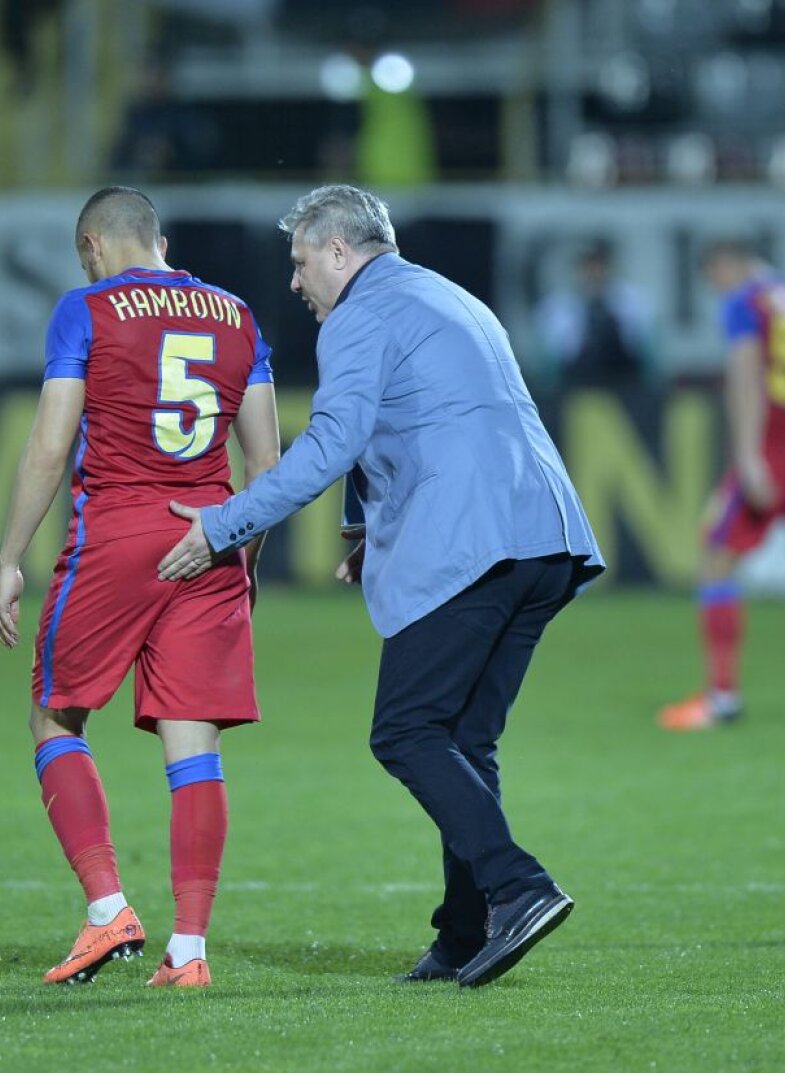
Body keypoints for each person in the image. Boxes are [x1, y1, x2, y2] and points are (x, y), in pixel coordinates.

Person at [157, 184, 604, 988]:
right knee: (464, 740)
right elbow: (412, 415)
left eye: (300, 263)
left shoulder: (360, 314)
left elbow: (335, 437)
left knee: (405, 731)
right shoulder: (445, 295)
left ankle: (518, 885)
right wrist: (362, 527)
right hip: (547, 535)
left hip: (475, 541)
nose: (295, 284)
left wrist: (225, 524)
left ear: (338, 251)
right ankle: (466, 932)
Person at [0, 186, 281, 988]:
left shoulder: (85, 309)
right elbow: (268, 468)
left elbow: (52, 443)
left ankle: (107, 906)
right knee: (195, 745)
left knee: (56, 713)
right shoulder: (237, 315)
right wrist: (241, 556)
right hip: (211, 534)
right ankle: (188, 951)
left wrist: (11, 555)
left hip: (118, 531)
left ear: (92, 245)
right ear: (159, 238)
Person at [658, 240, 785, 733]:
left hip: (775, 449)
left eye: (715, 277)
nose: (716, 288)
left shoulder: (745, 304)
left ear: (727, 264)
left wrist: (750, 456)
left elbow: (745, 376)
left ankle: (721, 698)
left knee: (715, 559)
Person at [533, 238, 656, 393]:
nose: (594, 273)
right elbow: (551, 364)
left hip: (625, 384)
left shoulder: (633, 303)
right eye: (588, 267)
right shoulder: (559, 308)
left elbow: (647, 355)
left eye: (599, 266)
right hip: (577, 388)